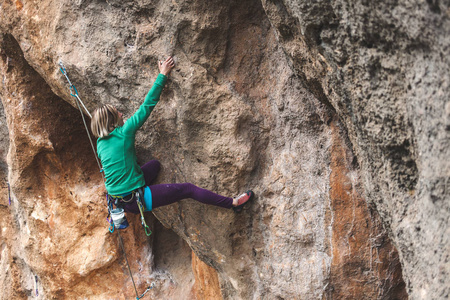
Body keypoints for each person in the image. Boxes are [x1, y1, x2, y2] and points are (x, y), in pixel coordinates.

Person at [90, 56, 253, 215]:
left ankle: (136, 188)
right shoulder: (125, 132)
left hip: (118, 199)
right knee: (187, 189)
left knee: (154, 165)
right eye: (116, 113)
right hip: (135, 199)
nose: (121, 113)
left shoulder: (100, 143)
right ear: (111, 123)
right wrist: (163, 74)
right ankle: (233, 204)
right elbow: (147, 105)